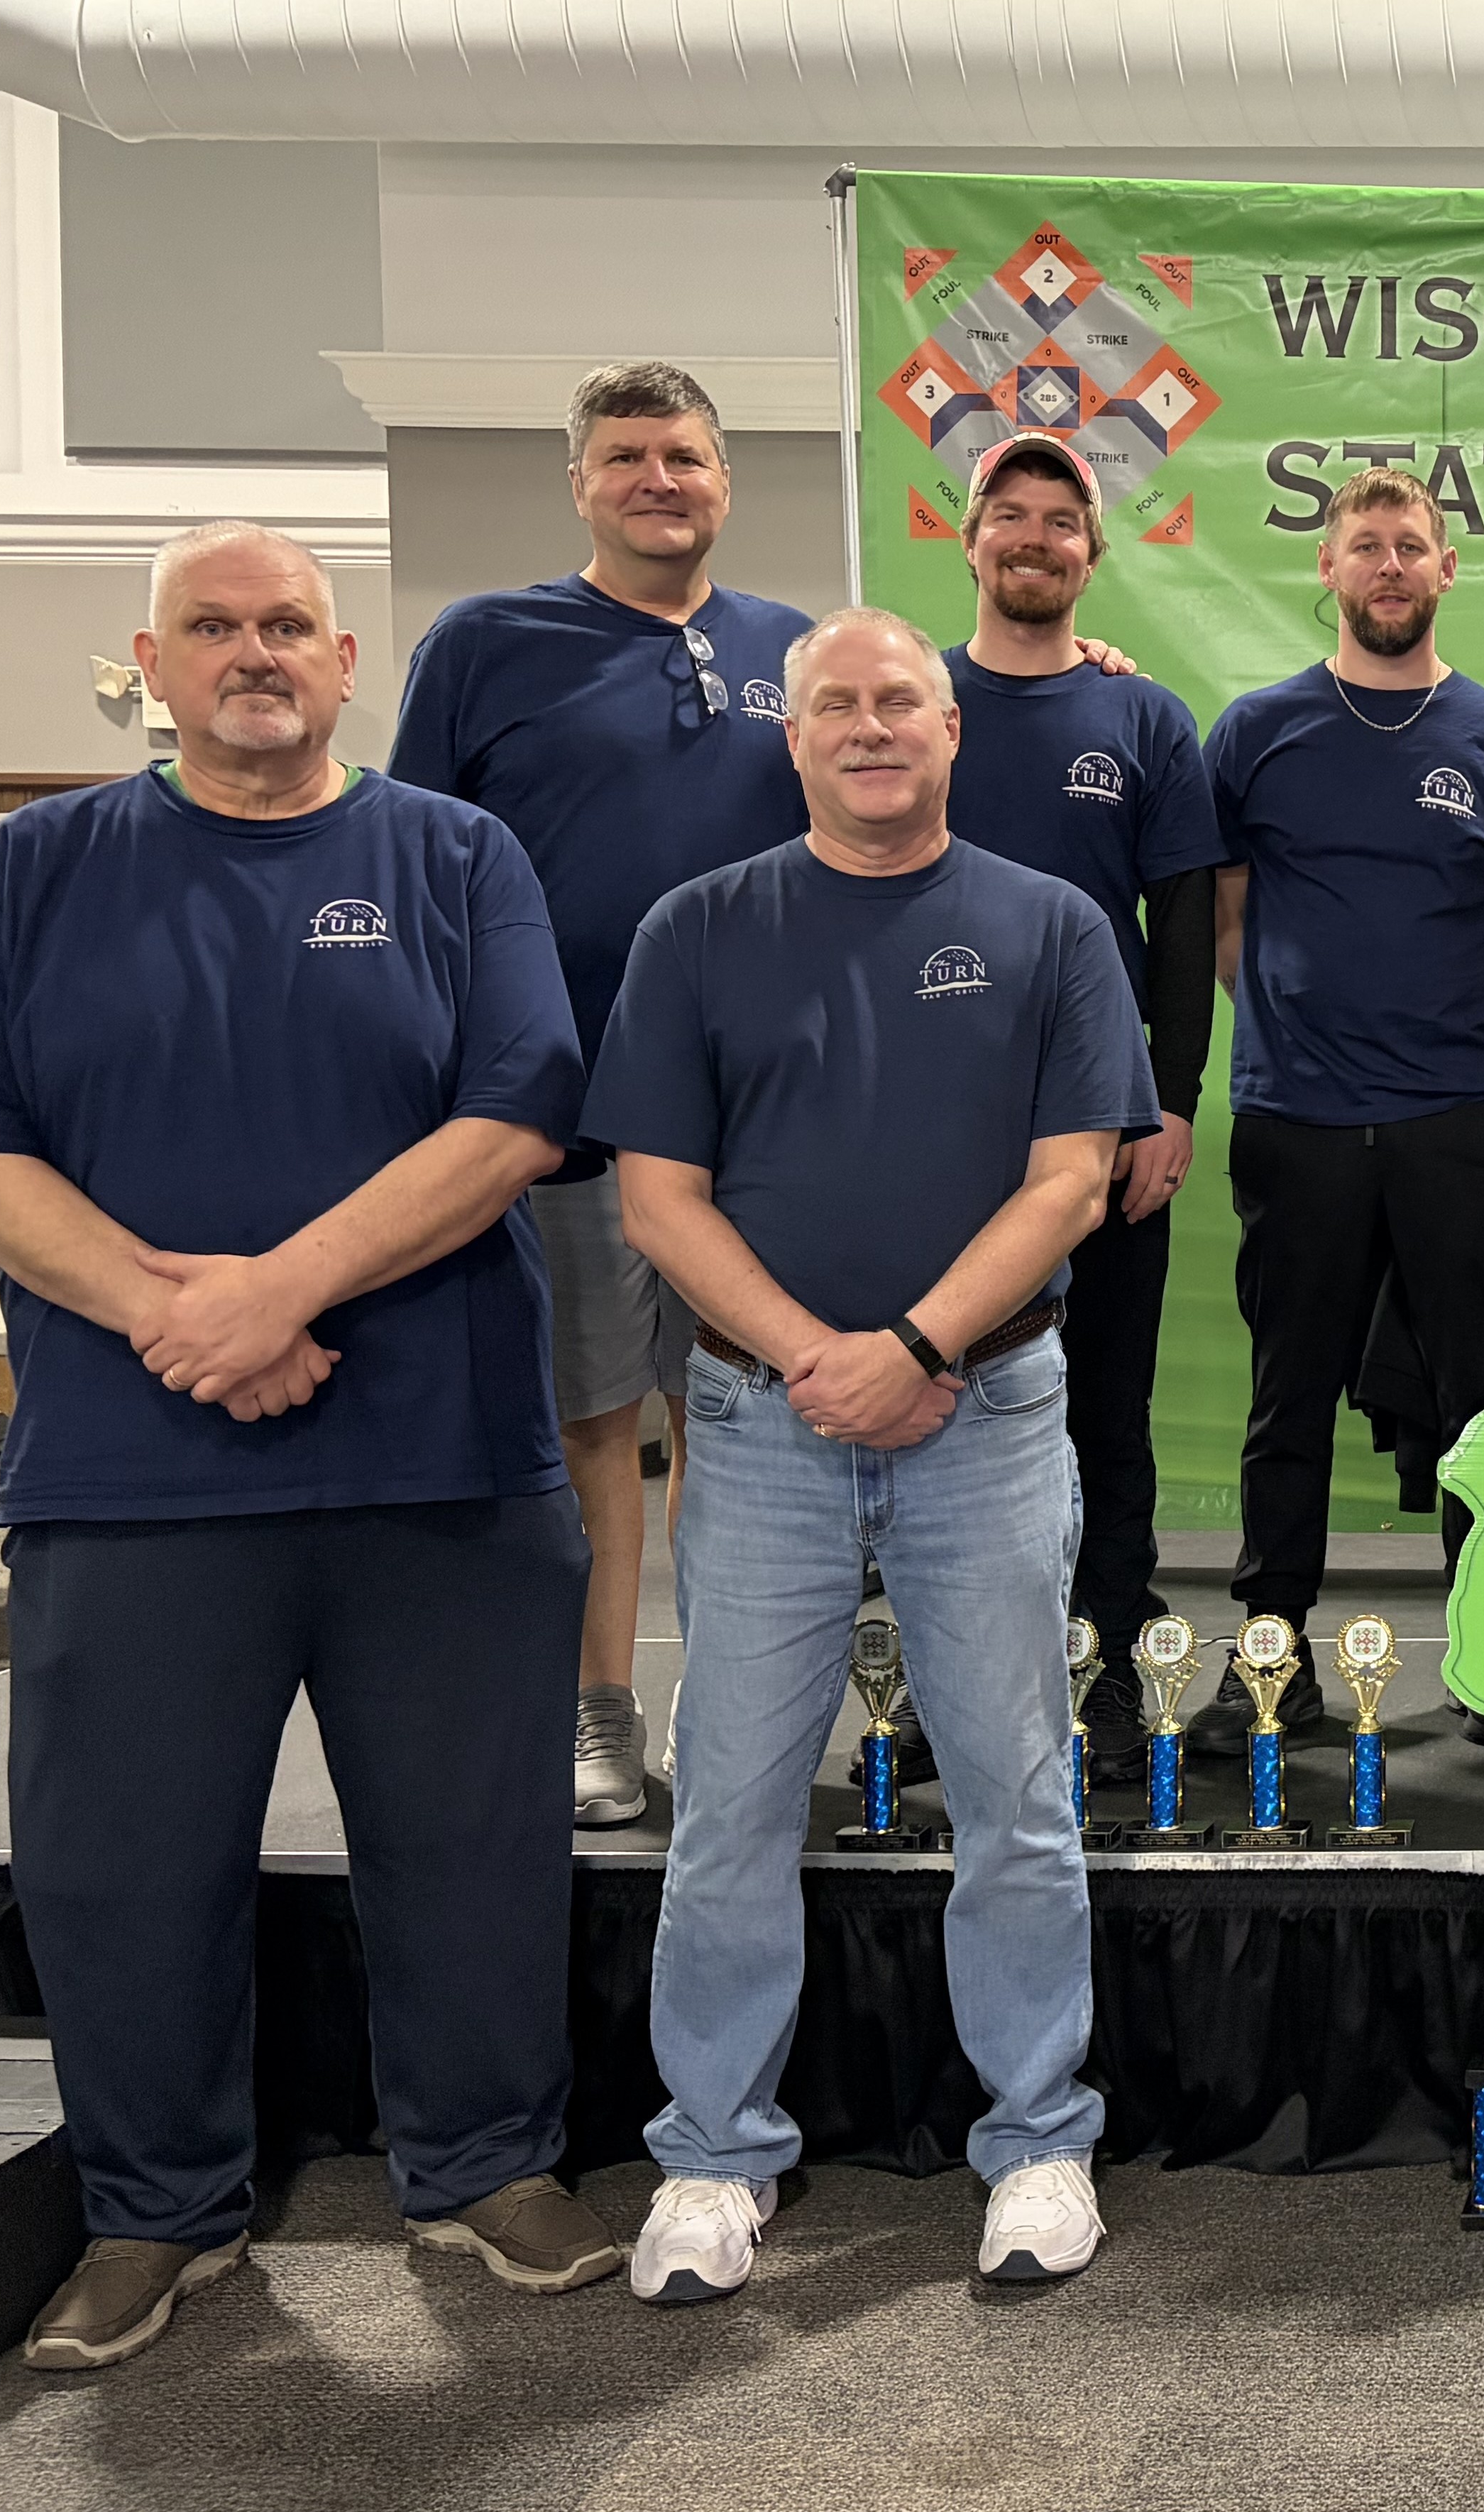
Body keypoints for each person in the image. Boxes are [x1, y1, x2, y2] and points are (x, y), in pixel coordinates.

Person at [0, 522, 620, 2369]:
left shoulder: (455, 855)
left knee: (469, 1845)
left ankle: (486, 2162)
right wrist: (182, 1319)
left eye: (288, 622)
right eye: (213, 625)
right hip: (132, 1470)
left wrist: (277, 1291)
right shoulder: (37, 867)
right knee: (123, 1864)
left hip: (440, 1462)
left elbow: (518, 1110)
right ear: (150, 663)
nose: (254, 651)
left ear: (343, 656)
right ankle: (157, 2206)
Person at [581, 608, 1156, 2301]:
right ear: (795, 736)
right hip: (758, 1425)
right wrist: (814, 1358)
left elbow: (1072, 1179)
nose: (869, 725)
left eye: (899, 697)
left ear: (949, 725)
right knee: (732, 1807)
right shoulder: (697, 928)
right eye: (834, 702)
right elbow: (656, 1198)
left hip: (988, 1413)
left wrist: (911, 1350)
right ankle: (712, 2153)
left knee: (1019, 1799)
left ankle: (1039, 2136)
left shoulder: (1051, 924)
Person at [389, 361, 815, 1828]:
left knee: (735, 1424)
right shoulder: (484, 641)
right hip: (559, 1116)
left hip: (751, 1127)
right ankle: (597, 1707)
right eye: (626, 456)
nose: (657, 479)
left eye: (682, 456)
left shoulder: (790, 647)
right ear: (579, 483)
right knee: (589, 1422)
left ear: (724, 482)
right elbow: (418, 869)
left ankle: (722, 1711)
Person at [1190, 466, 1484, 1749]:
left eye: (1410, 545)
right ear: (1328, 568)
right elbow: (1223, 912)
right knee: (1285, 1395)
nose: (1388, 565)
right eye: (1365, 545)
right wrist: (1289, 1021)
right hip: (1294, 1118)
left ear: (1446, 569)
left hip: (1458, 1117)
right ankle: (1270, 1657)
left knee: (1476, 1397)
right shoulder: (1256, 731)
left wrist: (1470, 1023)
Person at [940, 432, 1226, 1761]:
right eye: (1010, 513)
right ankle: (946, 1683)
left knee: (1102, 1406)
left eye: (1062, 520)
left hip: (1102, 1127)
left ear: (1091, 554)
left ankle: (1107, 1660)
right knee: (942, 1401)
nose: (1035, 537)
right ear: (970, 540)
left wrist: (1167, 1101)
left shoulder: (1143, 718)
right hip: (934, 1128)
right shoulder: (917, 703)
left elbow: (1182, 927)